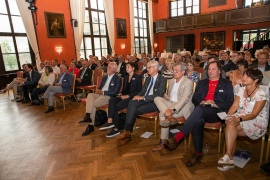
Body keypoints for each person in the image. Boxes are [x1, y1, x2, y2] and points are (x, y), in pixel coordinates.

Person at [164, 61, 234, 167]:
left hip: (217, 112)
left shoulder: (227, 84)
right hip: (202, 111)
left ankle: (178, 137)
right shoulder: (202, 82)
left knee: (199, 110)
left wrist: (215, 104)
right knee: (198, 120)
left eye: (213, 69)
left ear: (219, 71)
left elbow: (229, 102)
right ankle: (198, 153)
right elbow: (195, 98)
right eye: (209, 69)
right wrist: (203, 102)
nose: (210, 71)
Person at [217, 69, 268, 171]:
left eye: (247, 76)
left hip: (256, 121)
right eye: (244, 75)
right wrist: (227, 116)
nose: (243, 78)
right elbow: (234, 106)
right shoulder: (240, 90)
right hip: (240, 116)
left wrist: (238, 118)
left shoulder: (262, 94)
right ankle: (229, 157)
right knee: (231, 124)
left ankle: (228, 157)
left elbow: (254, 114)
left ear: (256, 80)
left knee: (231, 126)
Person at [116, 60, 167, 146]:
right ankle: (127, 132)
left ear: (155, 68)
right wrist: (137, 96)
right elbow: (142, 91)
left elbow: (158, 95)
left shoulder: (162, 79)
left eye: (149, 67)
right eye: (147, 67)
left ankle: (127, 134)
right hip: (143, 100)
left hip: (154, 103)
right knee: (132, 103)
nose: (147, 69)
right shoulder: (148, 79)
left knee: (132, 109)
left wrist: (142, 97)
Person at [152, 62, 194, 151]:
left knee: (162, 113)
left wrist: (172, 110)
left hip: (183, 107)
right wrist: (166, 97)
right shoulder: (171, 81)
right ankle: (170, 118)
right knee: (157, 98)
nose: (174, 72)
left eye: (176, 71)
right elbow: (171, 96)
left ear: (183, 72)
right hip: (170, 103)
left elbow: (184, 100)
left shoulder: (188, 82)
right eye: (174, 70)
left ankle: (163, 142)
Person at [100, 63, 142, 137]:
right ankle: (110, 121)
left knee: (116, 106)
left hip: (132, 97)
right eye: (126, 67)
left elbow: (139, 91)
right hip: (124, 96)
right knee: (112, 100)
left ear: (133, 68)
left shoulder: (138, 77)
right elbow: (124, 90)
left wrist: (128, 96)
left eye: (128, 67)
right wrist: (121, 93)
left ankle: (116, 129)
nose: (126, 68)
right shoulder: (125, 77)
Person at [79, 62, 121, 136]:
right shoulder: (104, 77)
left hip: (108, 96)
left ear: (114, 69)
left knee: (93, 104)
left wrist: (103, 92)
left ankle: (90, 125)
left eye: (109, 67)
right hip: (100, 94)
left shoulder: (117, 78)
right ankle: (88, 115)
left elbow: (115, 92)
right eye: (108, 67)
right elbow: (101, 87)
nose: (107, 68)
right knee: (90, 95)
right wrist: (98, 90)